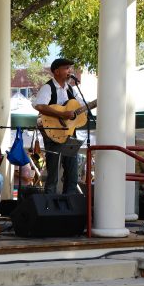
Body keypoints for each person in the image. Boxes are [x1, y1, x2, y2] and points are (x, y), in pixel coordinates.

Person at [33, 58, 94, 194]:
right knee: (53, 174)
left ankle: (69, 206)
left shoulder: (71, 89)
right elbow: (40, 106)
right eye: (66, 68)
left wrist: (89, 106)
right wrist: (61, 115)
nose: (70, 71)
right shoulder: (48, 87)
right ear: (56, 71)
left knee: (72, 174)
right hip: (53, 134)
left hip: (69, 134)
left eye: (70, 68)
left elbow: (79, 107)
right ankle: (49, 207)